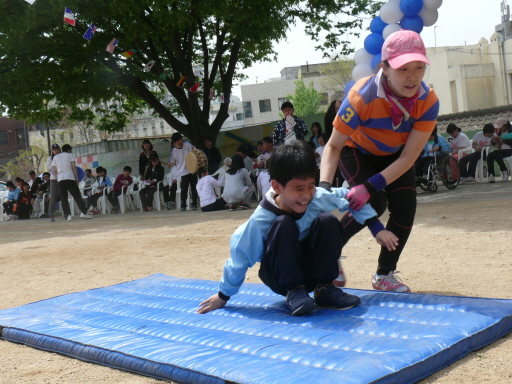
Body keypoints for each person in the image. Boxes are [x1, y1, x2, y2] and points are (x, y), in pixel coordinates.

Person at [197, 141, 397, 316]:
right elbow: (240, 258)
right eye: (298, 188)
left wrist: (377, 228)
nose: (306, 195)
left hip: (310, 271)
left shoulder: (316, 197)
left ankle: (324, 289)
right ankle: (295, 293)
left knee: (327, 220)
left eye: (310, 185)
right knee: (283, 224)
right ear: (277, 187)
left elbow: (351, 199)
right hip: (280, 278)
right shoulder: (260, 220)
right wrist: (223, 295)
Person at [319, 30, 439, 293]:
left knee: (405, 206)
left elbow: (409, 157)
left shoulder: (428, 101)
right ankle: (329, 251)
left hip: (397, 154)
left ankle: (384, 275)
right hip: (356, 150)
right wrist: (325, 187)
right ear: (385, 67)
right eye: (403, 68)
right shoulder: (361, 96)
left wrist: (370, 185)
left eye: (419, 67)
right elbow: (334, 145)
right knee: (373, 202)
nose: (413, 76)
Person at [52, 144, 93, 221]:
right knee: (77, 196)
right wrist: (76, 178)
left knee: (64, 198)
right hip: (70, 177)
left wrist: (58, 178)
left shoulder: (55, 157)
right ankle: (84, 212)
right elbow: (74, 167)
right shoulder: (70, 155)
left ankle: (68, 215)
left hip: (61, 179)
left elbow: (55, 170)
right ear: (68, 150)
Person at [167, 132, 198, 211]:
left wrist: (194, 148)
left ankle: (194, 203)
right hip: (183, 171)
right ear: (174, 142)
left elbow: (194, 149)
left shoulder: (187, 144)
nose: (179, 141)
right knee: (184, 189)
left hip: (192, 168)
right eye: (177, 140)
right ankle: (183, 205)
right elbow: (172, 160)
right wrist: (170, 163)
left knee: (194, 188)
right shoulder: (174, 151)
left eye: (180, 139)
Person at [487, 118, 512, 182]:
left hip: (510, 150)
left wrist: (501, 140)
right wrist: (494, 141)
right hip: (501, 151)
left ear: (505, 126)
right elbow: (495, 142)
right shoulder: (500, 132)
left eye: (501, 127)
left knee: (496, 152)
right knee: (490, 156)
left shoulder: (510, 131)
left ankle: (504, 170)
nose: (499, 129)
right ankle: (491, 174)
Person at [46, 144, 61, 221]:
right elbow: (48, 169)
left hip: (62, 178)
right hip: (53, 178)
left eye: (57, 149)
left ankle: (67, 213)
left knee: (64, 195)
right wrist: (54, 163)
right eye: (54, 149)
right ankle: (51, 214)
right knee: (53, 196)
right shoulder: (49, 158)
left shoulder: (62, 157)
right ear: (52, 151)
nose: (56, 150)